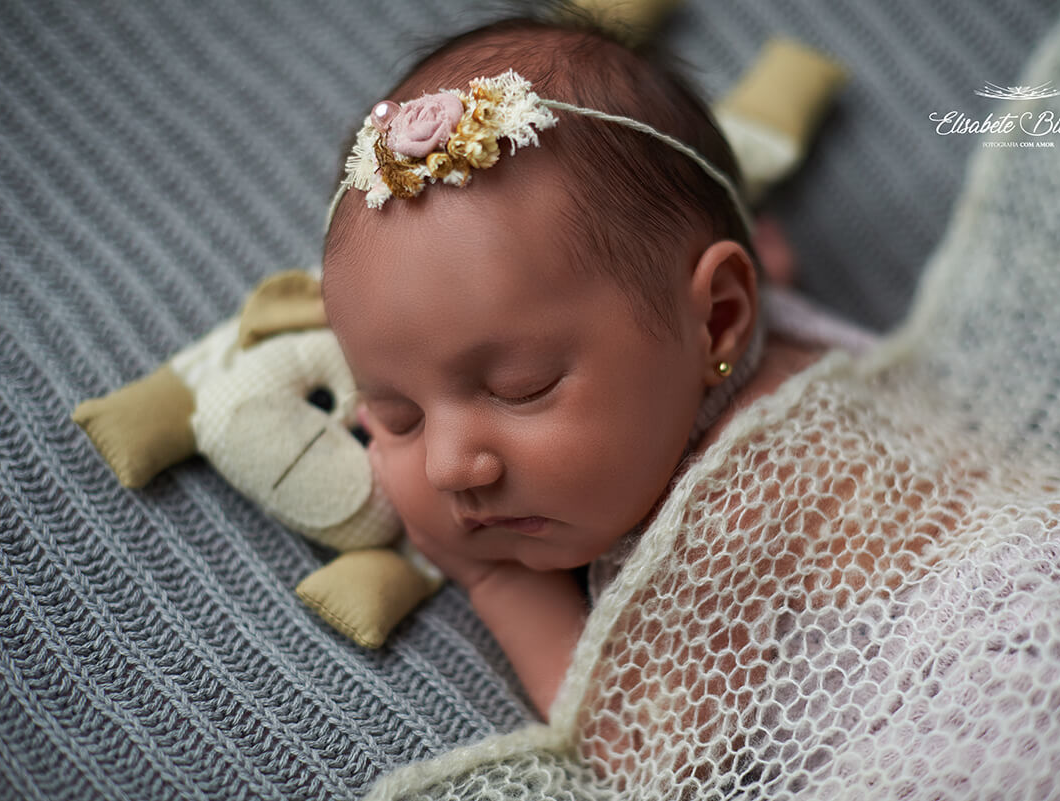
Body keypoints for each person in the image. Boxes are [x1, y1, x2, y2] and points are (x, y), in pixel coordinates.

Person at [321, 15, 839, 719]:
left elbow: (647, 749)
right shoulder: (743, 339)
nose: (447, 465)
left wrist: (497, 584)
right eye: (396, 416)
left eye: (520, 387)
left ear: (719, 319)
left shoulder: (745, 497)